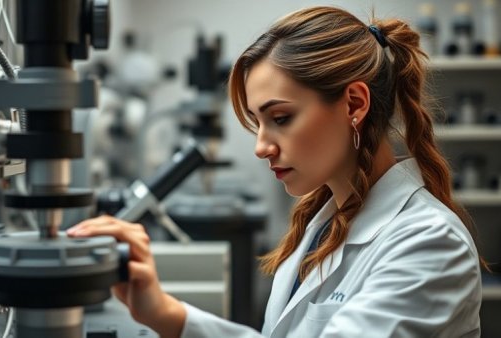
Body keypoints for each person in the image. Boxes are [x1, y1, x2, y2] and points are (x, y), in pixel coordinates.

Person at [67, 6, 484, 338]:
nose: (261, 147)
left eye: (280, 118)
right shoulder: (321, 225)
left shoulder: (429, 244)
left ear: (355, 105)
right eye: (257, 122)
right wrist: (163, 312)